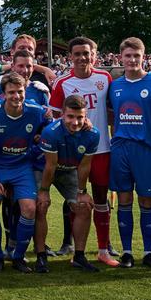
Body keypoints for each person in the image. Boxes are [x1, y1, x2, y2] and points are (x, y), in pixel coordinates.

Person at [49, 36, 118, 266]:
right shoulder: (62, 83)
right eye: (77, 54)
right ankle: (69, 244)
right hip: (72, 153)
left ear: (94, 55)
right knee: (74, 198)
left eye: (86, 53)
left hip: (101, 148)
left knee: (100, 198)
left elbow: (111, 110)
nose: (82, 58)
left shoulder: (104, 78)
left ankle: (104, 247)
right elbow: (54, 117)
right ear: (70, 56)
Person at [107, 37, 151, 269]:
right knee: (124, 199)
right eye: (128, 55)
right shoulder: (115, 86)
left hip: (147, 150)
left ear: (144, 57)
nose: (132, 60)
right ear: (121, 57)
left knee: (147, 200)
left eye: (137, 55)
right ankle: (127, 253)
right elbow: (111, 117)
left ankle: (147, 252)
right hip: (121, 150)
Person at [0, 73, 46, 273]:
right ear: (4, 94)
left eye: (20, 91)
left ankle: (18, 257)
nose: (16, 96)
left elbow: (53, 124)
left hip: (21, 166)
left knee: (30, 208)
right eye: (11, 92)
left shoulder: (36, 111)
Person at [35, 95, 99, 273]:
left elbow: (85, 166)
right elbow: (50, 165)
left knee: (84, 206)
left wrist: (82, 192)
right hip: (43, 168)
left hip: (69, 170)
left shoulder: (93, 134)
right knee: (41, 205)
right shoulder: (51, 132)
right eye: (70, 116)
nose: (75, 122)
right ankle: (41, 255)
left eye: (80, 117)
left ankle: (79, 256)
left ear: (86, 116)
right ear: (62, 114)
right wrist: (44, 191)